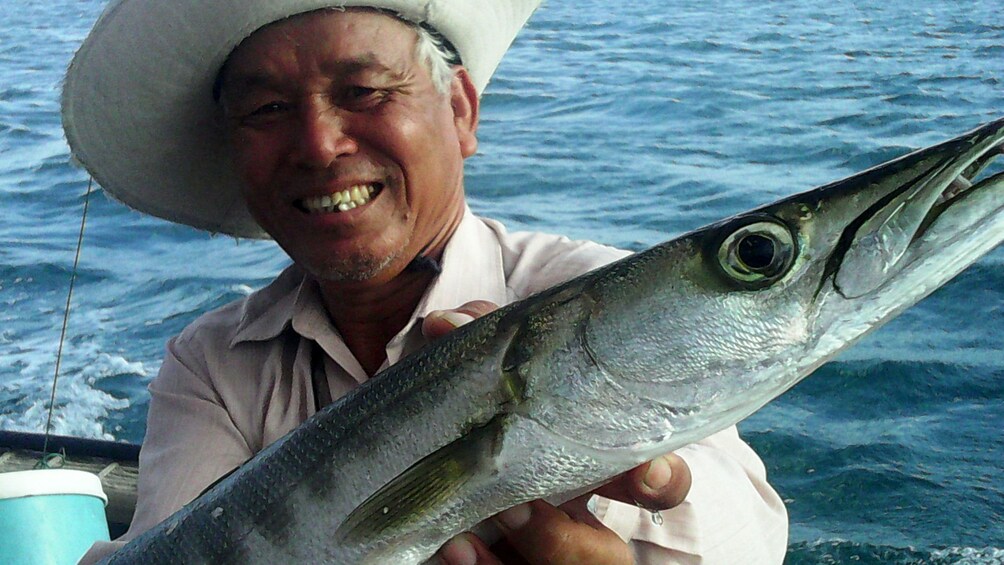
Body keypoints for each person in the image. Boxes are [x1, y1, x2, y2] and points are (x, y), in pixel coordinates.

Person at [64, 1, 788, 563]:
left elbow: (747, 526)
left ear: (461, 110)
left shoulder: (594, 289)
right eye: (268, 110)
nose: (319, 144)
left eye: (365, 90)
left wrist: (634, 517)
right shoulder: (212, 362)